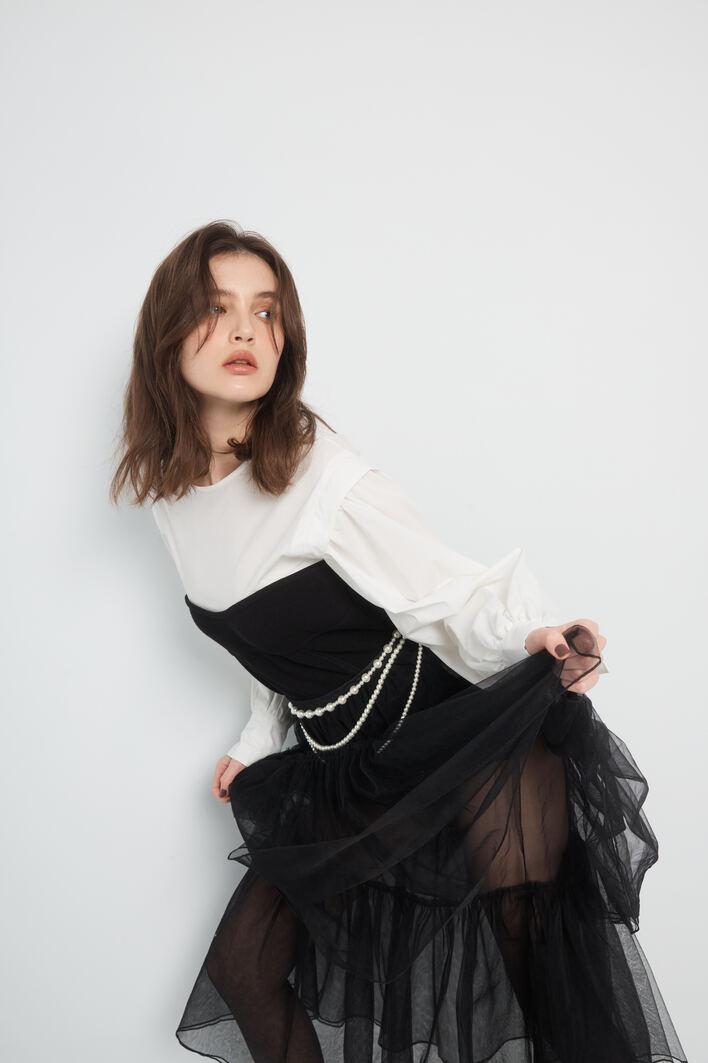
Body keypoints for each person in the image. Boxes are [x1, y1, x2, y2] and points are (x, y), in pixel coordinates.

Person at [111, 220, 688, 1063]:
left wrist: (537, 634)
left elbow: (444, 591)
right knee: (246, 970)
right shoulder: (170, 498)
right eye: (216, 308)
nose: (246, 331)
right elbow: (260, 637)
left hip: (459, 743)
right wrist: (260, 735)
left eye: (266, 312)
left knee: (544, 983)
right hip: (348, 769)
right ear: (167, 335)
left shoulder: (321, 473)